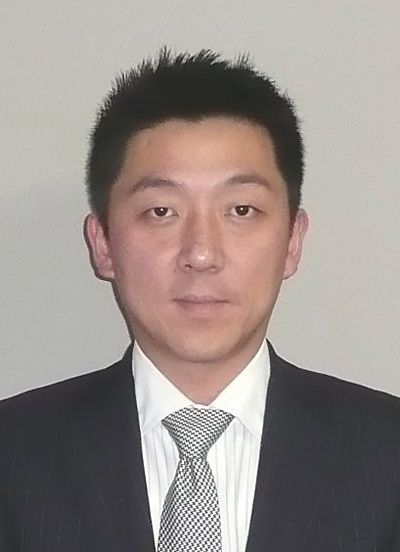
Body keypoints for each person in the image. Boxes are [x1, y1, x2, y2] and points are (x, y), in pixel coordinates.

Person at [0, 48, 399, 552]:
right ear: (103, 244)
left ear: (293, 242)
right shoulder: (13, 459)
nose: (202, 254)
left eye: (241, 210)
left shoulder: (387, 455)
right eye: (161, 211)